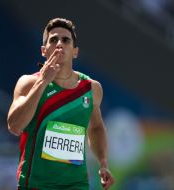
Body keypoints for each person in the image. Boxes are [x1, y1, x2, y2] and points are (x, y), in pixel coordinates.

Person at [7, 18, 115, 190]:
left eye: (66, 40)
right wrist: (42, 82)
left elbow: (95, 127)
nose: (59, 44)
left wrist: (103, 162)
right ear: (44, 50)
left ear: (75, 51)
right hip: (36, 185)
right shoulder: (27, 83)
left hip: (76, 184)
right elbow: (14, 126)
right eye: (53, 40)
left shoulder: (91, 89)